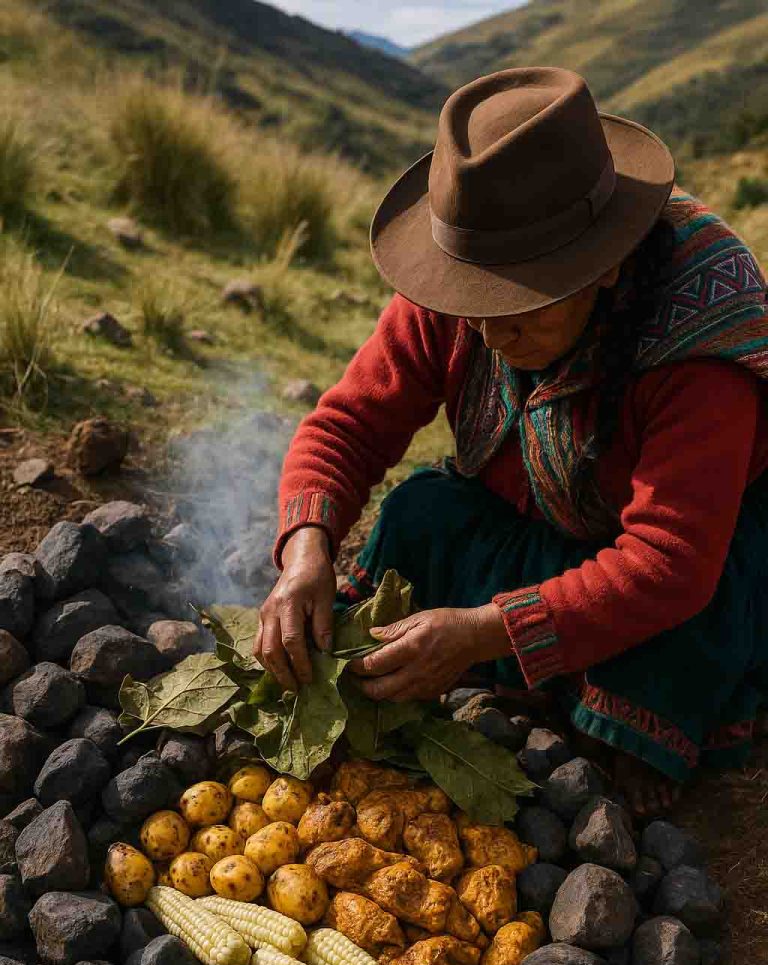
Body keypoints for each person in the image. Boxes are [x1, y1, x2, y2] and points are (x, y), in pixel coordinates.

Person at [256, 67, 768, 816]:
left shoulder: (702, 337)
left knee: (690, 618)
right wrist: (304, 550)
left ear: (607, 265)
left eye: (524, 303)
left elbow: (667, 564)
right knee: (418, 514)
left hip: (694, 560)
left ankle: (602, 711)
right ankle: (532, 667)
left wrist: (477, 633)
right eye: (477, 304)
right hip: (544, 528)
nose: (492, 331)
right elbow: (350, 425)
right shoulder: (461, 287)